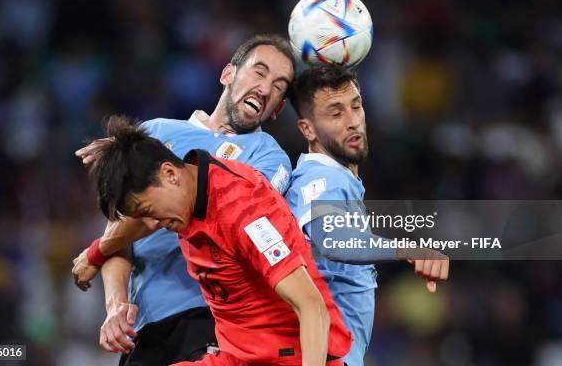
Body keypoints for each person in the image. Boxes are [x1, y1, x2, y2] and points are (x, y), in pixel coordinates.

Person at [71, 35, 296, 364]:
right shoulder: (157, 132)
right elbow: (118, 232)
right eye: (259, 73)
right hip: (144, 328)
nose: (264, 89)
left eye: (279, 86)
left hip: (212, 322)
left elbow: (192, 207)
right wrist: (115, 305)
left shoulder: (269, 159)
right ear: (228, 74)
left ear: (278, 108)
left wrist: (95, 252)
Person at [84, 115, 352, 365]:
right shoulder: (189, 196)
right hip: (235, 356)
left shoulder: (244, 209)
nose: (152, 226)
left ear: (170, 174)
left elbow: (311, 305)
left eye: (148, 212)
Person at [285, 65, 450, 366]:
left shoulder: (336, 180)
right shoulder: (322, 179)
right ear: (307, 129)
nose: (352, 122)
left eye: (356, 107)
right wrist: (405, 249)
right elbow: (332, 239)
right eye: (335, 114)